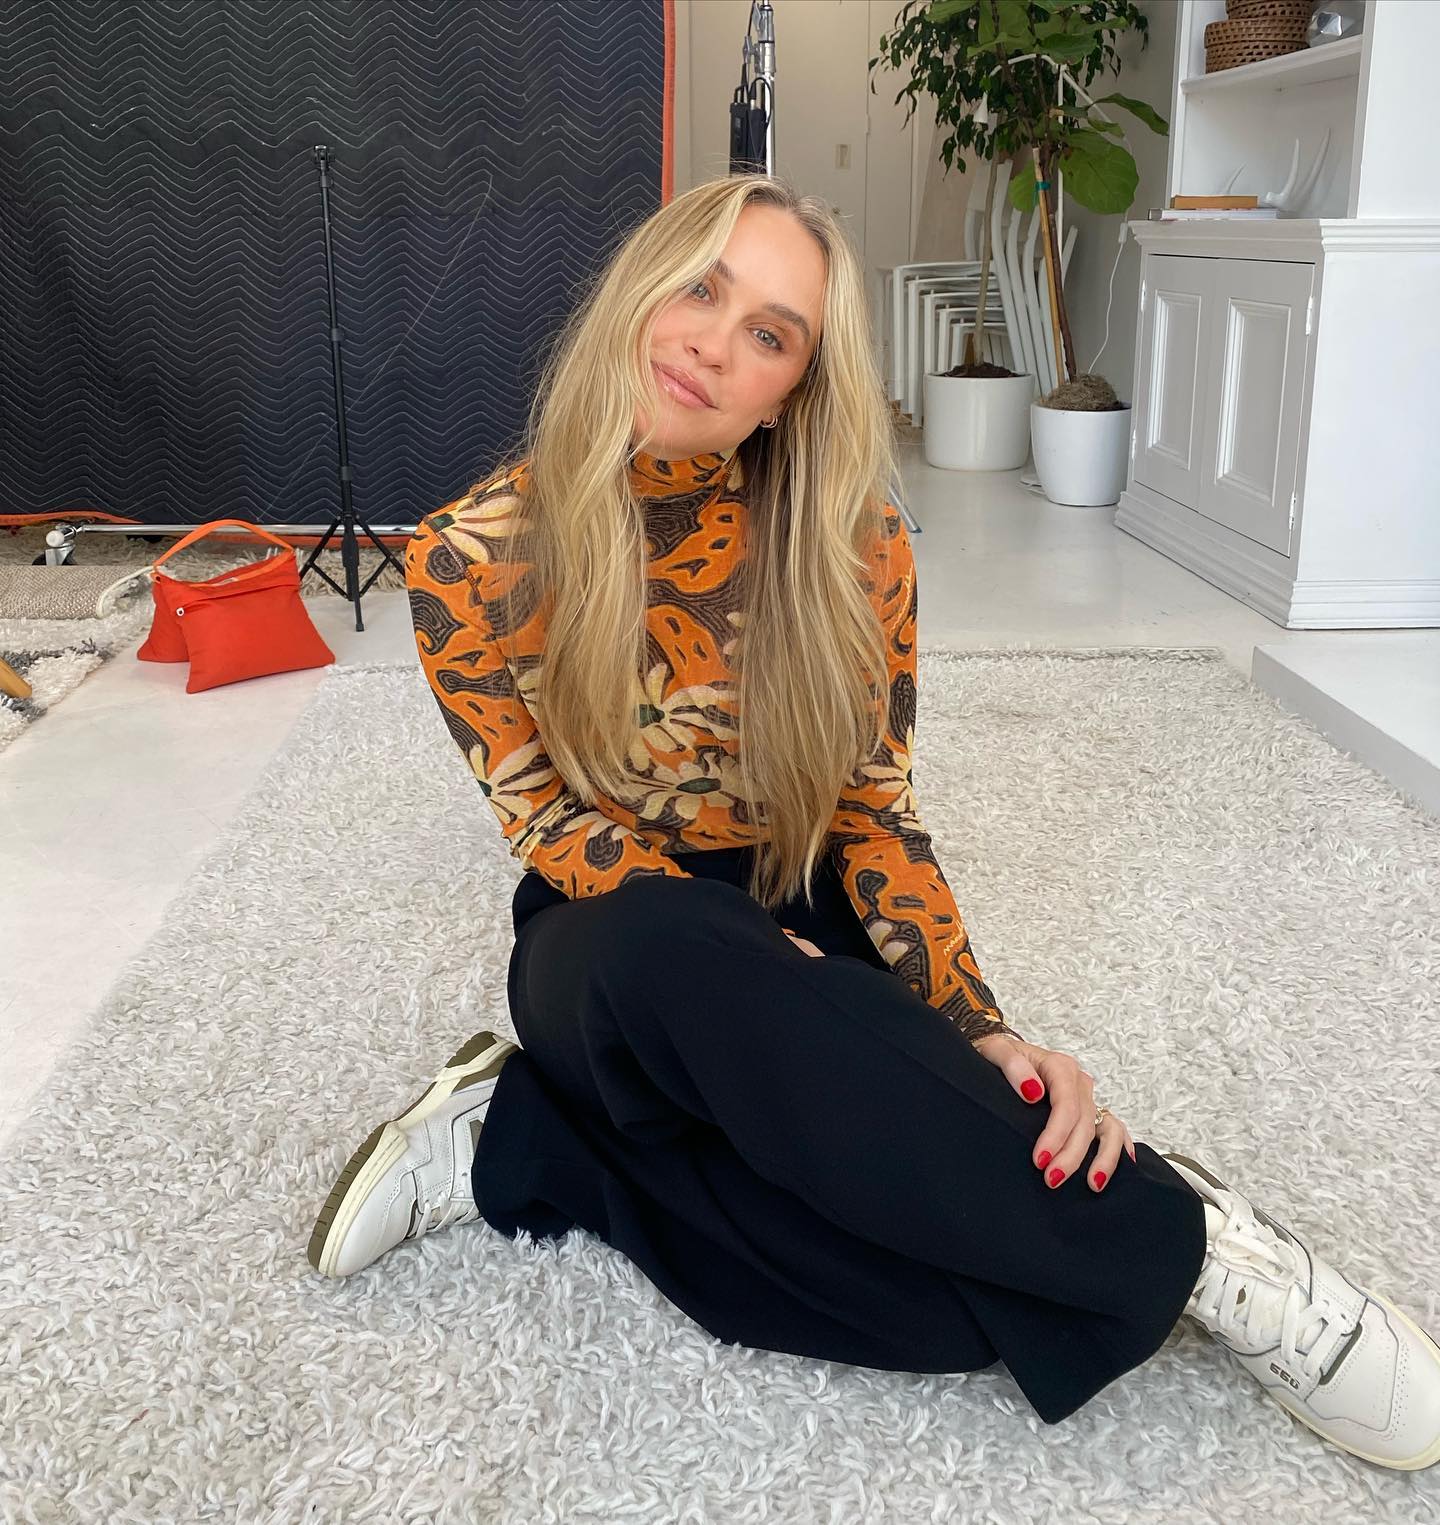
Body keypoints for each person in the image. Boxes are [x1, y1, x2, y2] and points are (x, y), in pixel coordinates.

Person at [308, 175, 1440, 1470]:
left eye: (769, 334)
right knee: (691, 958)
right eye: (698, 288)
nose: (712, 344)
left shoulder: (854, 542)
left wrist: (978, 1025)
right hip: (612, 933)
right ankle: (1198, 1252)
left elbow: (873, 814)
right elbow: (542, 816)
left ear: (791, 389)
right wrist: (738, 944)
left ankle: (525, 1134)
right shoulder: (465, 555)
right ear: (636, 288)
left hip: (806, 902)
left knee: (940, 1298)